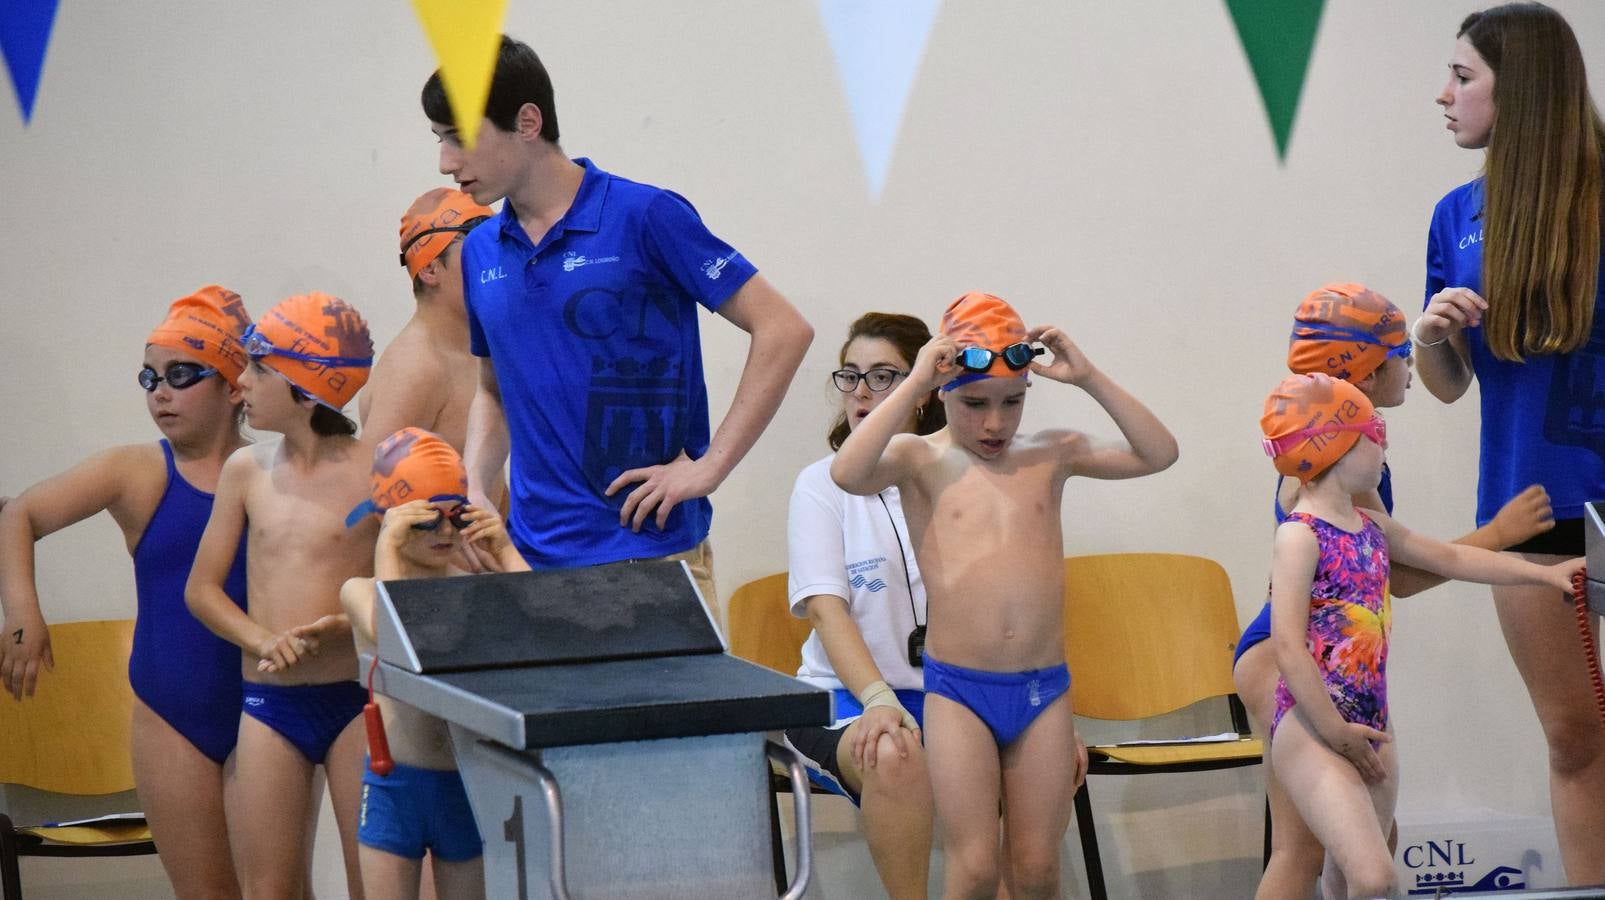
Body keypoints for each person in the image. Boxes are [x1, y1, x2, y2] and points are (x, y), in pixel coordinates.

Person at [420, 35, 813, 613]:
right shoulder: (480, 249)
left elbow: (784, 328)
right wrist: (476, 482)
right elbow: (493, 389)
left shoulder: (646, 215)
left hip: (651, 559)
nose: (446, 162)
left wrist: (708, 469)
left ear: (527, 122)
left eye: (459, 138)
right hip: (532, 562)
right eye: (440, 140)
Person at [831, 292, 1173, 899]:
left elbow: (1159, 452)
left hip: (1043, 691)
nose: (994, 423)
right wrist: (912, 382)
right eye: (975, 404)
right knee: (974, 867)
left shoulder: (1051, 454)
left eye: (1011, 403)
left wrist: (1089, 378)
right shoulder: (920, 458)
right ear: (943, 392)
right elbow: (848, 473)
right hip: (959, 690)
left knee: (1038, 866)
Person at [1233, 283, 1555, 899]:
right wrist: (1496, 534)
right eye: (1400, 353)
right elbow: (1402, 579)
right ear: (1362, 372)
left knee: (1372, 844)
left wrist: (1533, 569)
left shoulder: (1354, 467)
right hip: (1288, 661)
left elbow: (1391, 566)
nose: (1409, 365)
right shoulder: (1338, 480)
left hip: (1330, 670)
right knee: (1302, 849)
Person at [1417, 2, 1605, 881]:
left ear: (1516, 89)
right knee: (1573, 736)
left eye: (1462, 77)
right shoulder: (1455, 214)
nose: (1443, 96)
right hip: (1527, 506)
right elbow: (1453, 387)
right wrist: (1432, 338)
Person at [0, 287, 252, 898]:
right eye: (149, 377)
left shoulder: (270, 471)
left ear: (234, 386)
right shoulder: (137, 471)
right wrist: (25, 614)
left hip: (265, 714)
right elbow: (19, 514)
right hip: (172, 716)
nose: (159, 392)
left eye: (181, 374)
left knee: (277, 891)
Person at [186, 292, 378, 899]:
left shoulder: (377, 468)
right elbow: (202, 590)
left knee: (371, 882)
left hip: (357, 701)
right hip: (269, 705)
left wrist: (344, 625)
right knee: (268, 890)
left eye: (256, 369)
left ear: (304, 385)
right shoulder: (246, 472)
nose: (239, 383)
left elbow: (412, 585)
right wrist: (263, 638)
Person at [784, 313, 947, 899]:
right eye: (850, 376)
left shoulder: (955, 477)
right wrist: (878, 699)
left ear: (924, 392)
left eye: (883, 376)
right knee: (892, 750)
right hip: (845, 697)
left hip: (946, 693)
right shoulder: (821, 484)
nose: (860, 393)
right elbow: (828, 610)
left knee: (1023, 756)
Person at [341, 427, 530, 900]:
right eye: (426, 520)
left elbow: (539, 628)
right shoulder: (360, 590)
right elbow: (396, 638)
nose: (446, 531)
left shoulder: (469, 587)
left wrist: (505, 551)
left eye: (457, 517)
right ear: (390, 519)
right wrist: (387, 547)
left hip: (463, 785)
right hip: (394, 788)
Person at [360, 187, 496, 453]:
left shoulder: (472, 351)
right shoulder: (415, 369)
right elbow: (372, 484)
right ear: (430, 269)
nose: (493, 263)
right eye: (477, 250)